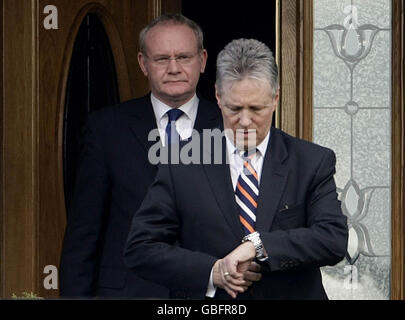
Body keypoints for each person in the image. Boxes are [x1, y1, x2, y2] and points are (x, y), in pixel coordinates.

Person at [124, 38, 348, 300]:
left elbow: (332, 238)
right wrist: (213, 272)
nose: (244, 121)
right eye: (234, 108)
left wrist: (258, 246)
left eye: (256, 108)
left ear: (275, 98)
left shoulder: (311, 161)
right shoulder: (181, 160)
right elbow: (140, 248)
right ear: (218, 97)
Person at [59, 14, 222, 298]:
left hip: (209, 294)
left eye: (183, 57)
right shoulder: (106, 129)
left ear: (203, 60)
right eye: (161, 59)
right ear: (142, 64)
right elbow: (83, 234)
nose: (173, 68)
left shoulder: (231, 128)